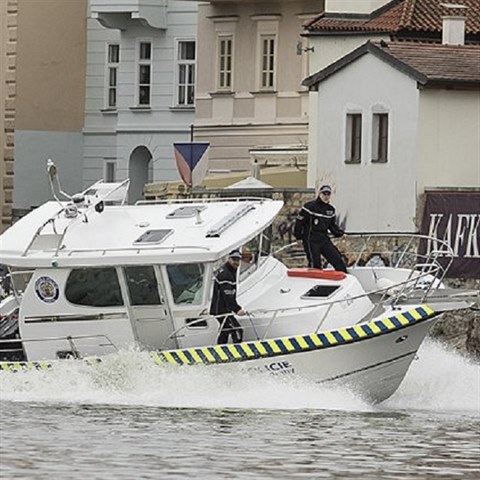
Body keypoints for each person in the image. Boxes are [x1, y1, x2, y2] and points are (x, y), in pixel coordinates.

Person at [293, 184, 347, 272]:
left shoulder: (331, 210)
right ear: (319, 194)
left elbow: (332, 226)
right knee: (315, 264)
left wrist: (340, 233)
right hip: (311, 239)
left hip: (323, 238)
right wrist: (298, 236)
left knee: (337, 259)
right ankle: (314, 282)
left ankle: (345, 279)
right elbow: (299, 222)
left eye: (328, 194)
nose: (326, 196)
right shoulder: (309, 207)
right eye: (324, 194)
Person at [210, 249, 246, 344]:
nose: (236, 262)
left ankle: (220, 352)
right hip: (221, 310)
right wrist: (237, 309)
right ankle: (237, 354)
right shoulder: (226, 275)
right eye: (234, 259)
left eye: (238, 260)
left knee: (225, 330)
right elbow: (228, 296)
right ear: (229, 259)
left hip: (220, 309)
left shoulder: (229, 271)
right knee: (238, 330)